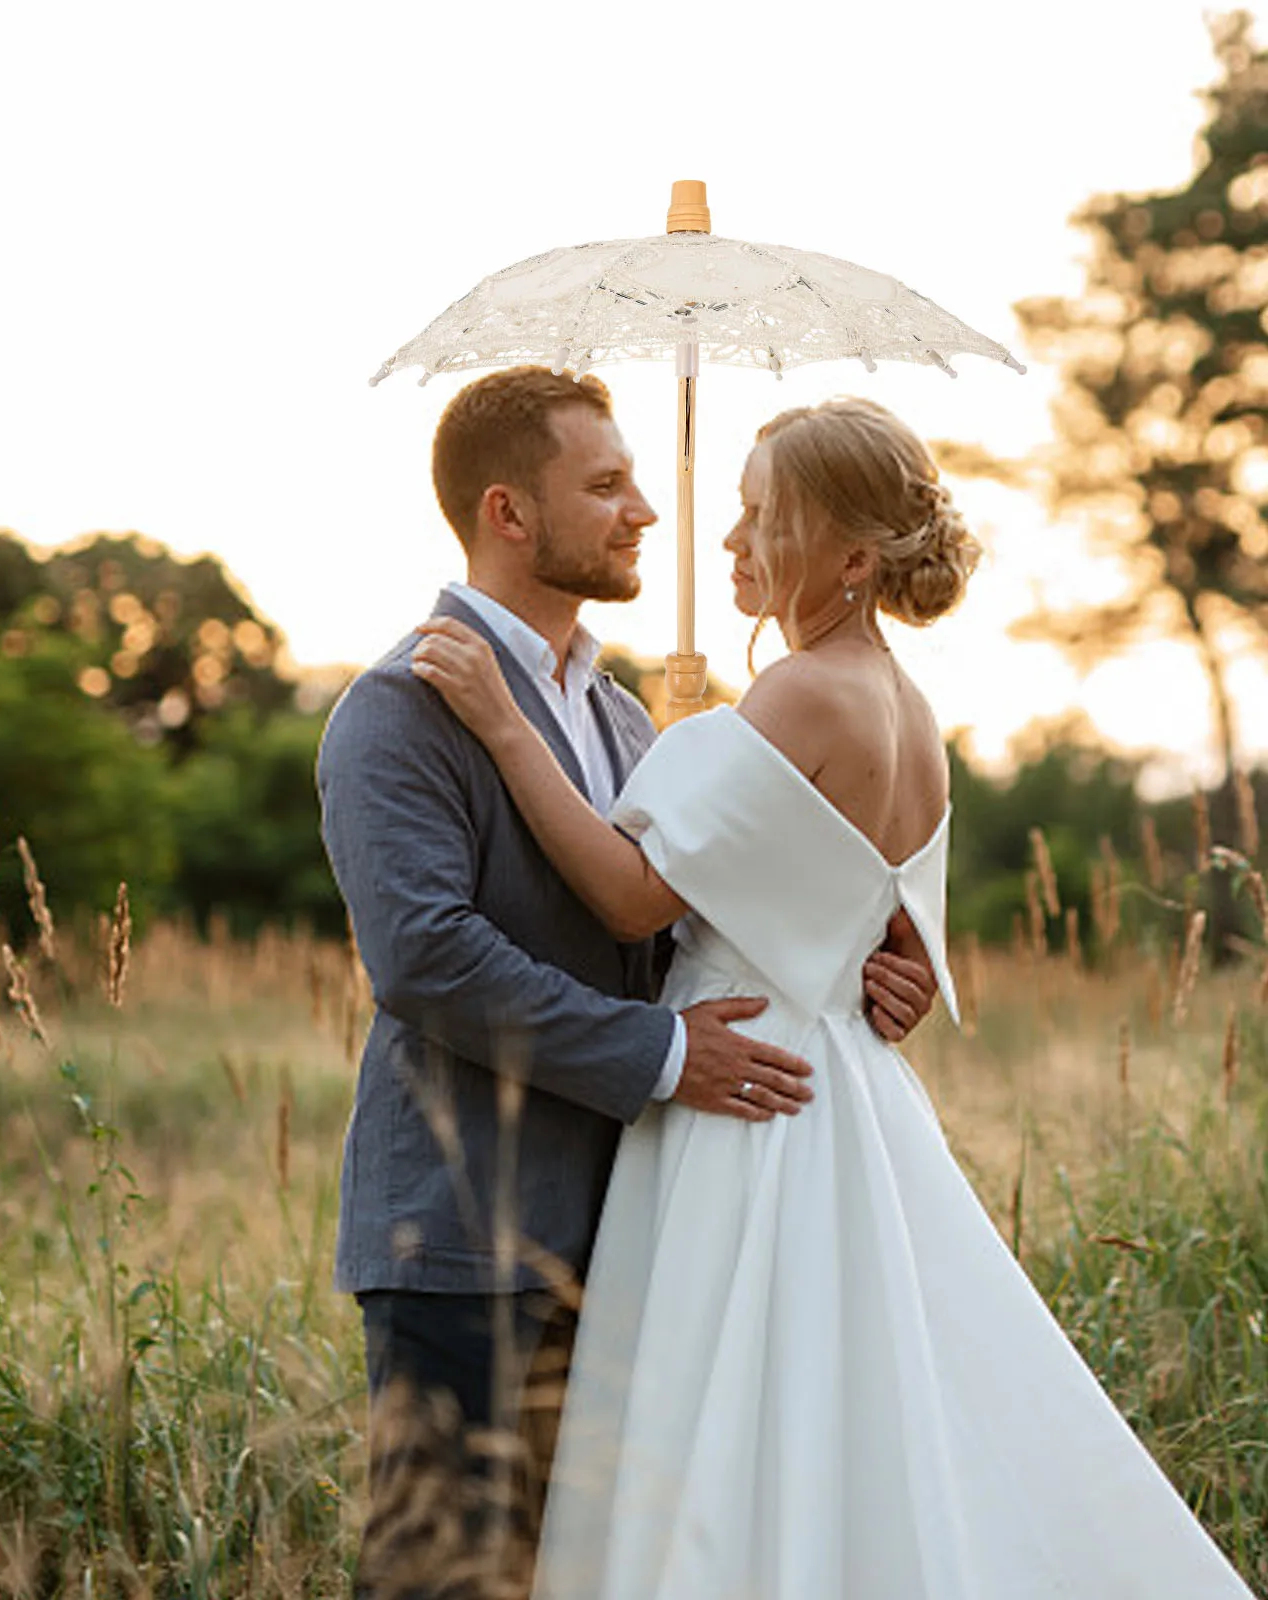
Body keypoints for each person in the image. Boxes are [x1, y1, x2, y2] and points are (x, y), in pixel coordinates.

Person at [411, 395, 1255, 1599]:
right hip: (846, 1084)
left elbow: (632, 898)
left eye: (765, 516)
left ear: (853, 557)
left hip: (748, 1093)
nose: (732, 540)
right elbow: (878, 931)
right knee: (846, 1408)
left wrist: (504, 728)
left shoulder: (801, 694)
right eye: (742, 508)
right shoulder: (912, 711)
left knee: (736, 1409)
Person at [317, 368, 938, 1598]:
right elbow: (425, 959)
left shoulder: (616, 714)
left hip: (637, 1229)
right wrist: (665, 1058)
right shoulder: (402, 707)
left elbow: (672, 927)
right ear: (507, 513)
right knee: (443, 1579)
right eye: (605, 485)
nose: (646, 510)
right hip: (465, 1232)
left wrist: (848, 955)